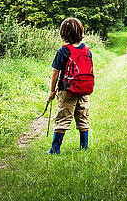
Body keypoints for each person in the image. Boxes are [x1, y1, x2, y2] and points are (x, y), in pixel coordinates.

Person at [46, 17, 92, 154]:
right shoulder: (87, 50)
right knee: (83, 117)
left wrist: (52, 91)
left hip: (67, 91)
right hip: (84, 91)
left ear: (64, 34)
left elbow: (56, 72)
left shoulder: (63, 51)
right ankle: (84, 147)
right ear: (80, 32)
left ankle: (55, 149)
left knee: (62, 117)